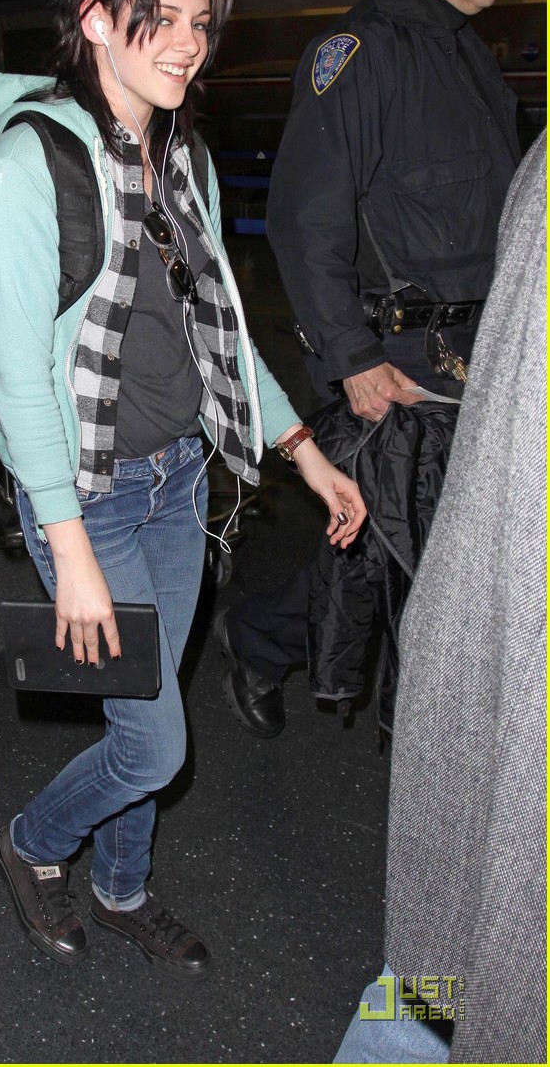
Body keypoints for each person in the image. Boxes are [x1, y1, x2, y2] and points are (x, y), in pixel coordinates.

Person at [0, 0, 366, 977]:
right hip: (87, 496)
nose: (189, 44)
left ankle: (123, 889)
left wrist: (301, 449)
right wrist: (69, 551)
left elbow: (219, 332)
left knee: (143, 718)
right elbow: (19, 381)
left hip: (180, 484)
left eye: (201, 23)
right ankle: (31, 843)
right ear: (97, 20)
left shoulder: (184, 158)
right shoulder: (22, 169)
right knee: (154, 743)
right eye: (164, 19)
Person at [215, 0, 522, 738]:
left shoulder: (467, 54)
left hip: (478, 360)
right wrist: (352, 360)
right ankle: (270, 644)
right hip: (400, 365)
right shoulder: (358, 56)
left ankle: (269, 642)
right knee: (400, 549)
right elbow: (305, 222)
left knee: (418, 552)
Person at [334, 129, 546, 1064]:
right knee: (457, 964)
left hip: (483, 552)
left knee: (439, 967)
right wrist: (347, 355)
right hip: (492, 570)